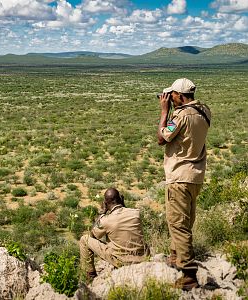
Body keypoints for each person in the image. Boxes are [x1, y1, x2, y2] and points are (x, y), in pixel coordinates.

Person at [157, 78, 211, 291]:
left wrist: (164, 111)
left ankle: (188, 274)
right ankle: (174, 256)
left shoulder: (179, 116)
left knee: (178, 224)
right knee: (185, 221)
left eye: (172, 95)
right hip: (196, 176)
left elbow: (162, 138)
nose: (169, 98)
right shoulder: (204, 111)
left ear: (179, 95)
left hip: (179, 176)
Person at [79, 188, 149, 281]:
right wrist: (123, 205)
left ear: (105, 203)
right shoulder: (136, 213)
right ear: (120, 199)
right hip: (142, 257)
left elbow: (93, 235)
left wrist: (103, 213)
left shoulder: (106, 220)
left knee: (85, 239)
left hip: (121, 260)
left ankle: (90, 276)